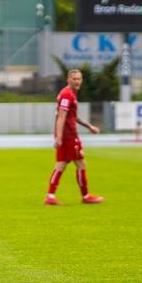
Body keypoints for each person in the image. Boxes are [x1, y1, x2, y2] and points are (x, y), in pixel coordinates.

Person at [45, 68, 103, 205]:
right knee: (81, 164)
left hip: (66, 135)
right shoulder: (67, 95)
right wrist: (59, 138)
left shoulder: (71, 94)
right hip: (68, 136)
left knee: (60, 165)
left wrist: (90, 126)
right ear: (68, 80)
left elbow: (73, 116)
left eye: (79, 79)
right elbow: (61, 116)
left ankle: (50, 196)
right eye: (74, 79)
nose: (77, 81)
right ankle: (86, 196)